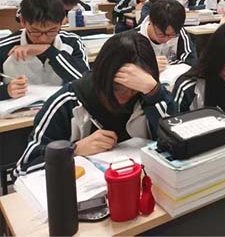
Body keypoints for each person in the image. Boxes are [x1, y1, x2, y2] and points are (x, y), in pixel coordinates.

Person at [15, 31, 174, 176]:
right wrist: (74, 150)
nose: (124, 98)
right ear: (101, 77)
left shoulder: (149, 95)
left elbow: (178, 144)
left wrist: (154, 91)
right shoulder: (66, 103)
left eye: (134, 89)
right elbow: (23, 169)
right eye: (117, 88)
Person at [0, 0, 89, 101]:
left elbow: (86, 84)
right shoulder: (4, 47)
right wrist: (5, 91)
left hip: (60, 109)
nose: (43, 39)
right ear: (23, 21)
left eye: (52, 31)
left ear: (62, 21)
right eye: (36, 31)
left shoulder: (72, 42)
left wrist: (49, 51)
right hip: (18, 111)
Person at [133, 0, 197, 70]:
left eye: (172, 35)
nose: (166, 39)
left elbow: (191, 61)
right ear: (150, 20)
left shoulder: (179, 32)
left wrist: (166, 64)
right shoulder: (133, 38)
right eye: (161, 34)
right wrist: (148, 66)